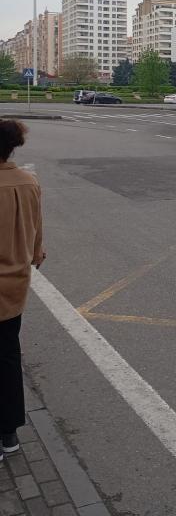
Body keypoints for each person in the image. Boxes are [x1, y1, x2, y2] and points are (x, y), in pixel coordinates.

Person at [0, 120, 45, 463]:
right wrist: (34, 255)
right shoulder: (29, 182)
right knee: (8, 356)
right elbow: (36, 235)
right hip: (15, 286)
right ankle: (9, 434)